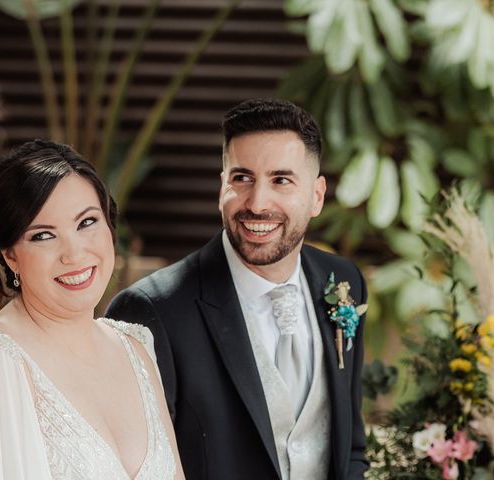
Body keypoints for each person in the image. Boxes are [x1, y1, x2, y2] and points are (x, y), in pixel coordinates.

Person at [106, 98, 369, 480]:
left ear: (316, 195)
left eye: (281, 180)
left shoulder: (344, 281)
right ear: (221, 188)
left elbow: (351, 447)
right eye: (242, 178)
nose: (257, 203)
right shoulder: (151, 311)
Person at [0, 140, 185, 480]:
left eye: (86, 222)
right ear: (10, 255)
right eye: (43, 236)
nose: (74, 254)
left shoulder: (137, 349)